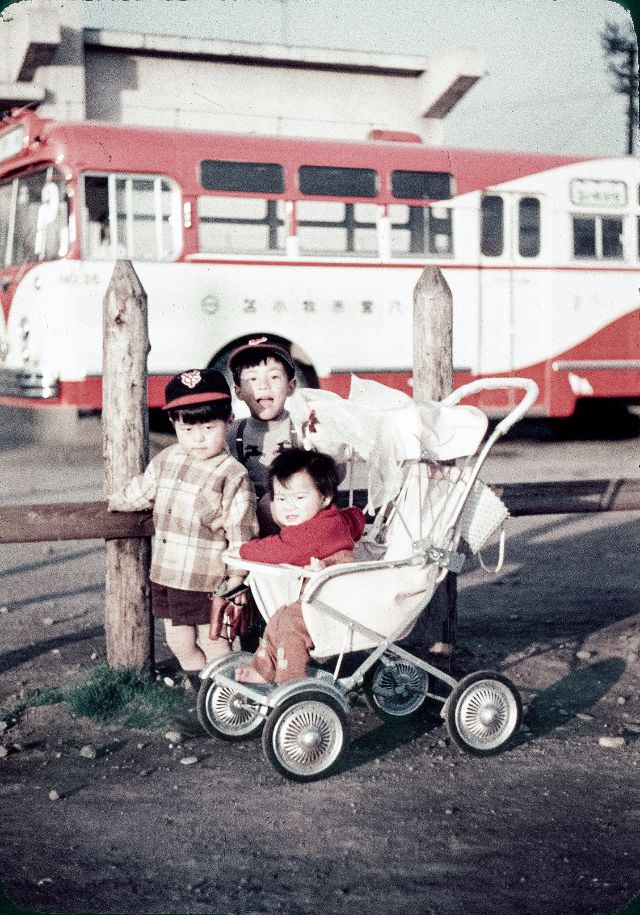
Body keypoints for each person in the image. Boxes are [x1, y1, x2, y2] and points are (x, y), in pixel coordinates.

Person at [108, 369, 258, 681]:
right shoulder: (168, 460)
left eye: (208, 427)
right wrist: (116, 501)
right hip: (168, 574)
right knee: (180, 642)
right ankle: (203, 691)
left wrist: (235, 580)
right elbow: (143, 490)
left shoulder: (232, 475)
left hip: (208, 579)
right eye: (188, 429)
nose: (199, 437)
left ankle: (229, 699)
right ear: (175, 424)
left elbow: (241, 532)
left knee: (214, 640)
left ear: (229, 421)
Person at [234, 448, 365, 685]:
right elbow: (353, 519)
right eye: (282, 499)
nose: (289, 507)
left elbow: (282, 548)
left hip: (332, 605)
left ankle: (291, 680)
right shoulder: (330, 520)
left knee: (290, 625)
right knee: (279, 617)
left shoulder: (316, 530)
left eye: (299, 498)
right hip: (320, 599)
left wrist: (243, 550)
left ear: (324, 498)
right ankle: (263, 671)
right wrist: (356, 519)